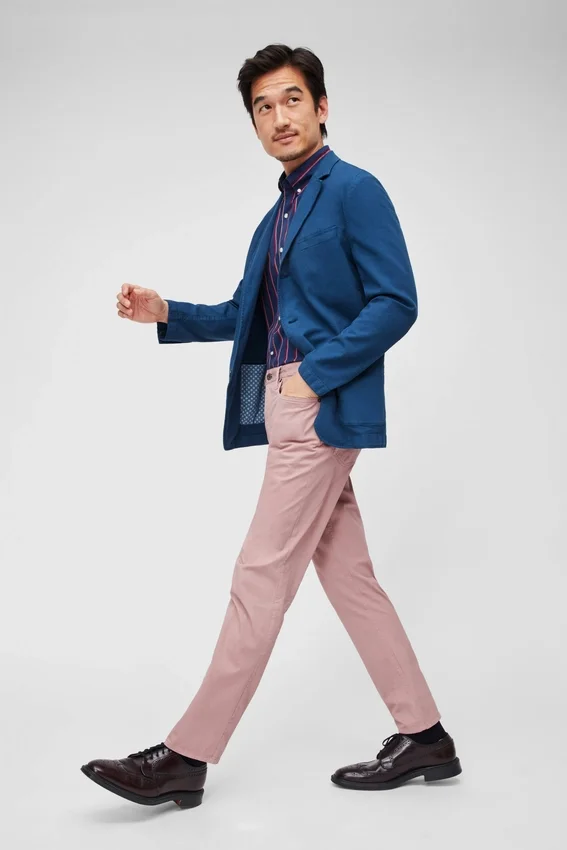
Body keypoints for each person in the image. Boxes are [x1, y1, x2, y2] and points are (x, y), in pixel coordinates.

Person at [81, 43, 461, 810]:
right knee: (350, 578)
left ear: (321, 107)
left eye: (291, 99)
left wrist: (317, 374)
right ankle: (424, 736)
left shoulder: (353, 190)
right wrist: (167, 312)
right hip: (288, 404)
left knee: (259, 575)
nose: (278, 116)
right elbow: (243, 314)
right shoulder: (276, 217)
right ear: (253, 123)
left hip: (317, 405)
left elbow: (396, 301)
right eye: (262, 106)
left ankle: (186, 754)